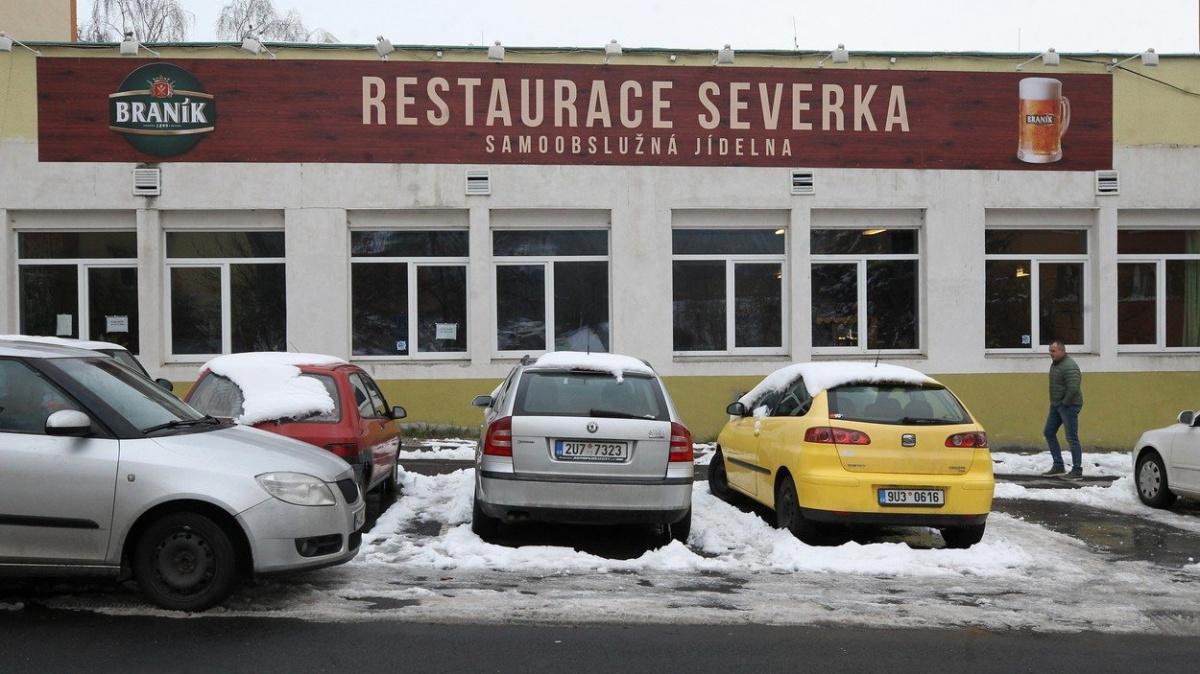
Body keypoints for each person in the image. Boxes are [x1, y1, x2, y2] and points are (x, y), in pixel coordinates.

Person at [1042, 339, 1084, 480]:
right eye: (1050, 351)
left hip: (1068, 406)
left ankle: (1077, 470)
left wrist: (1064, 403)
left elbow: (1073, 388)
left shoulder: (1069, 366)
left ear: (1062, 351)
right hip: (1057, 405)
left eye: (1053, 351)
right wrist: (1056, 403)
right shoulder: (1056, 364)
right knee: (1049, 432)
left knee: (1072, 438)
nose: (1050, 354)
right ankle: (1058, 465)